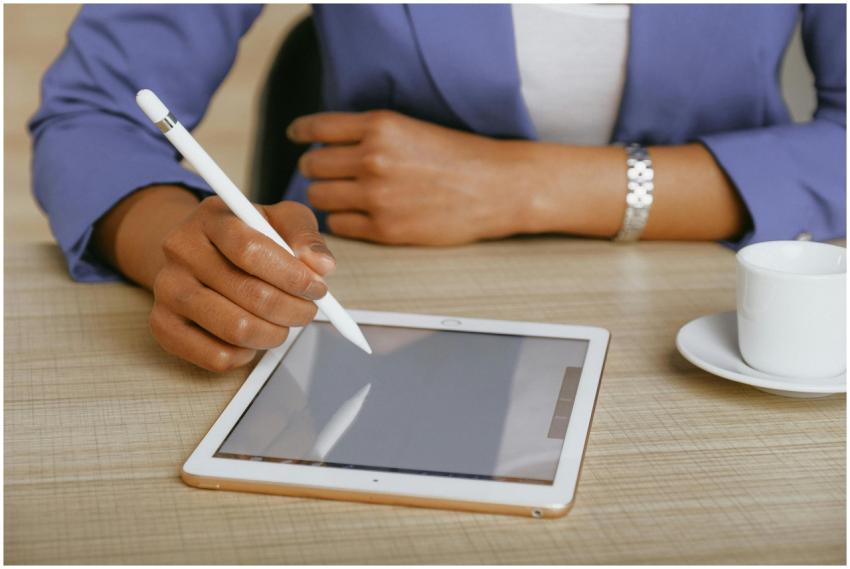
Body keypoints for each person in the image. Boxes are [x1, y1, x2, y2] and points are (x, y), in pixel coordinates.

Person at [30, 4, 845, 371]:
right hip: (360, 306)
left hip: (716, 312)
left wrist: (523, 186)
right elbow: (93, 113)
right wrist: (173, 241)